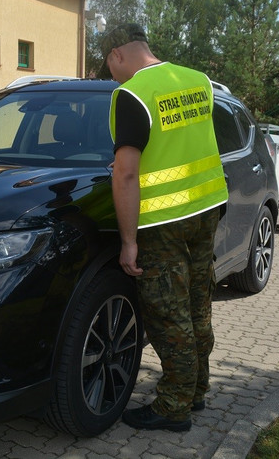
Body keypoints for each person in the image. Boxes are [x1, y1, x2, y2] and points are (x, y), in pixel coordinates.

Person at [98, 23, 228, 432]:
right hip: (206, 208)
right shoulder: (198, 81)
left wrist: (129, 242)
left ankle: (173, 407)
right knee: (197, 307)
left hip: (163, 221)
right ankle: (197, 390)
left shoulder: (132, 94)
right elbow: (186, 144)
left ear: (117, 54)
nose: (111, 77)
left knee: (170, 317)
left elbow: (125, 175)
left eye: (109, 67)